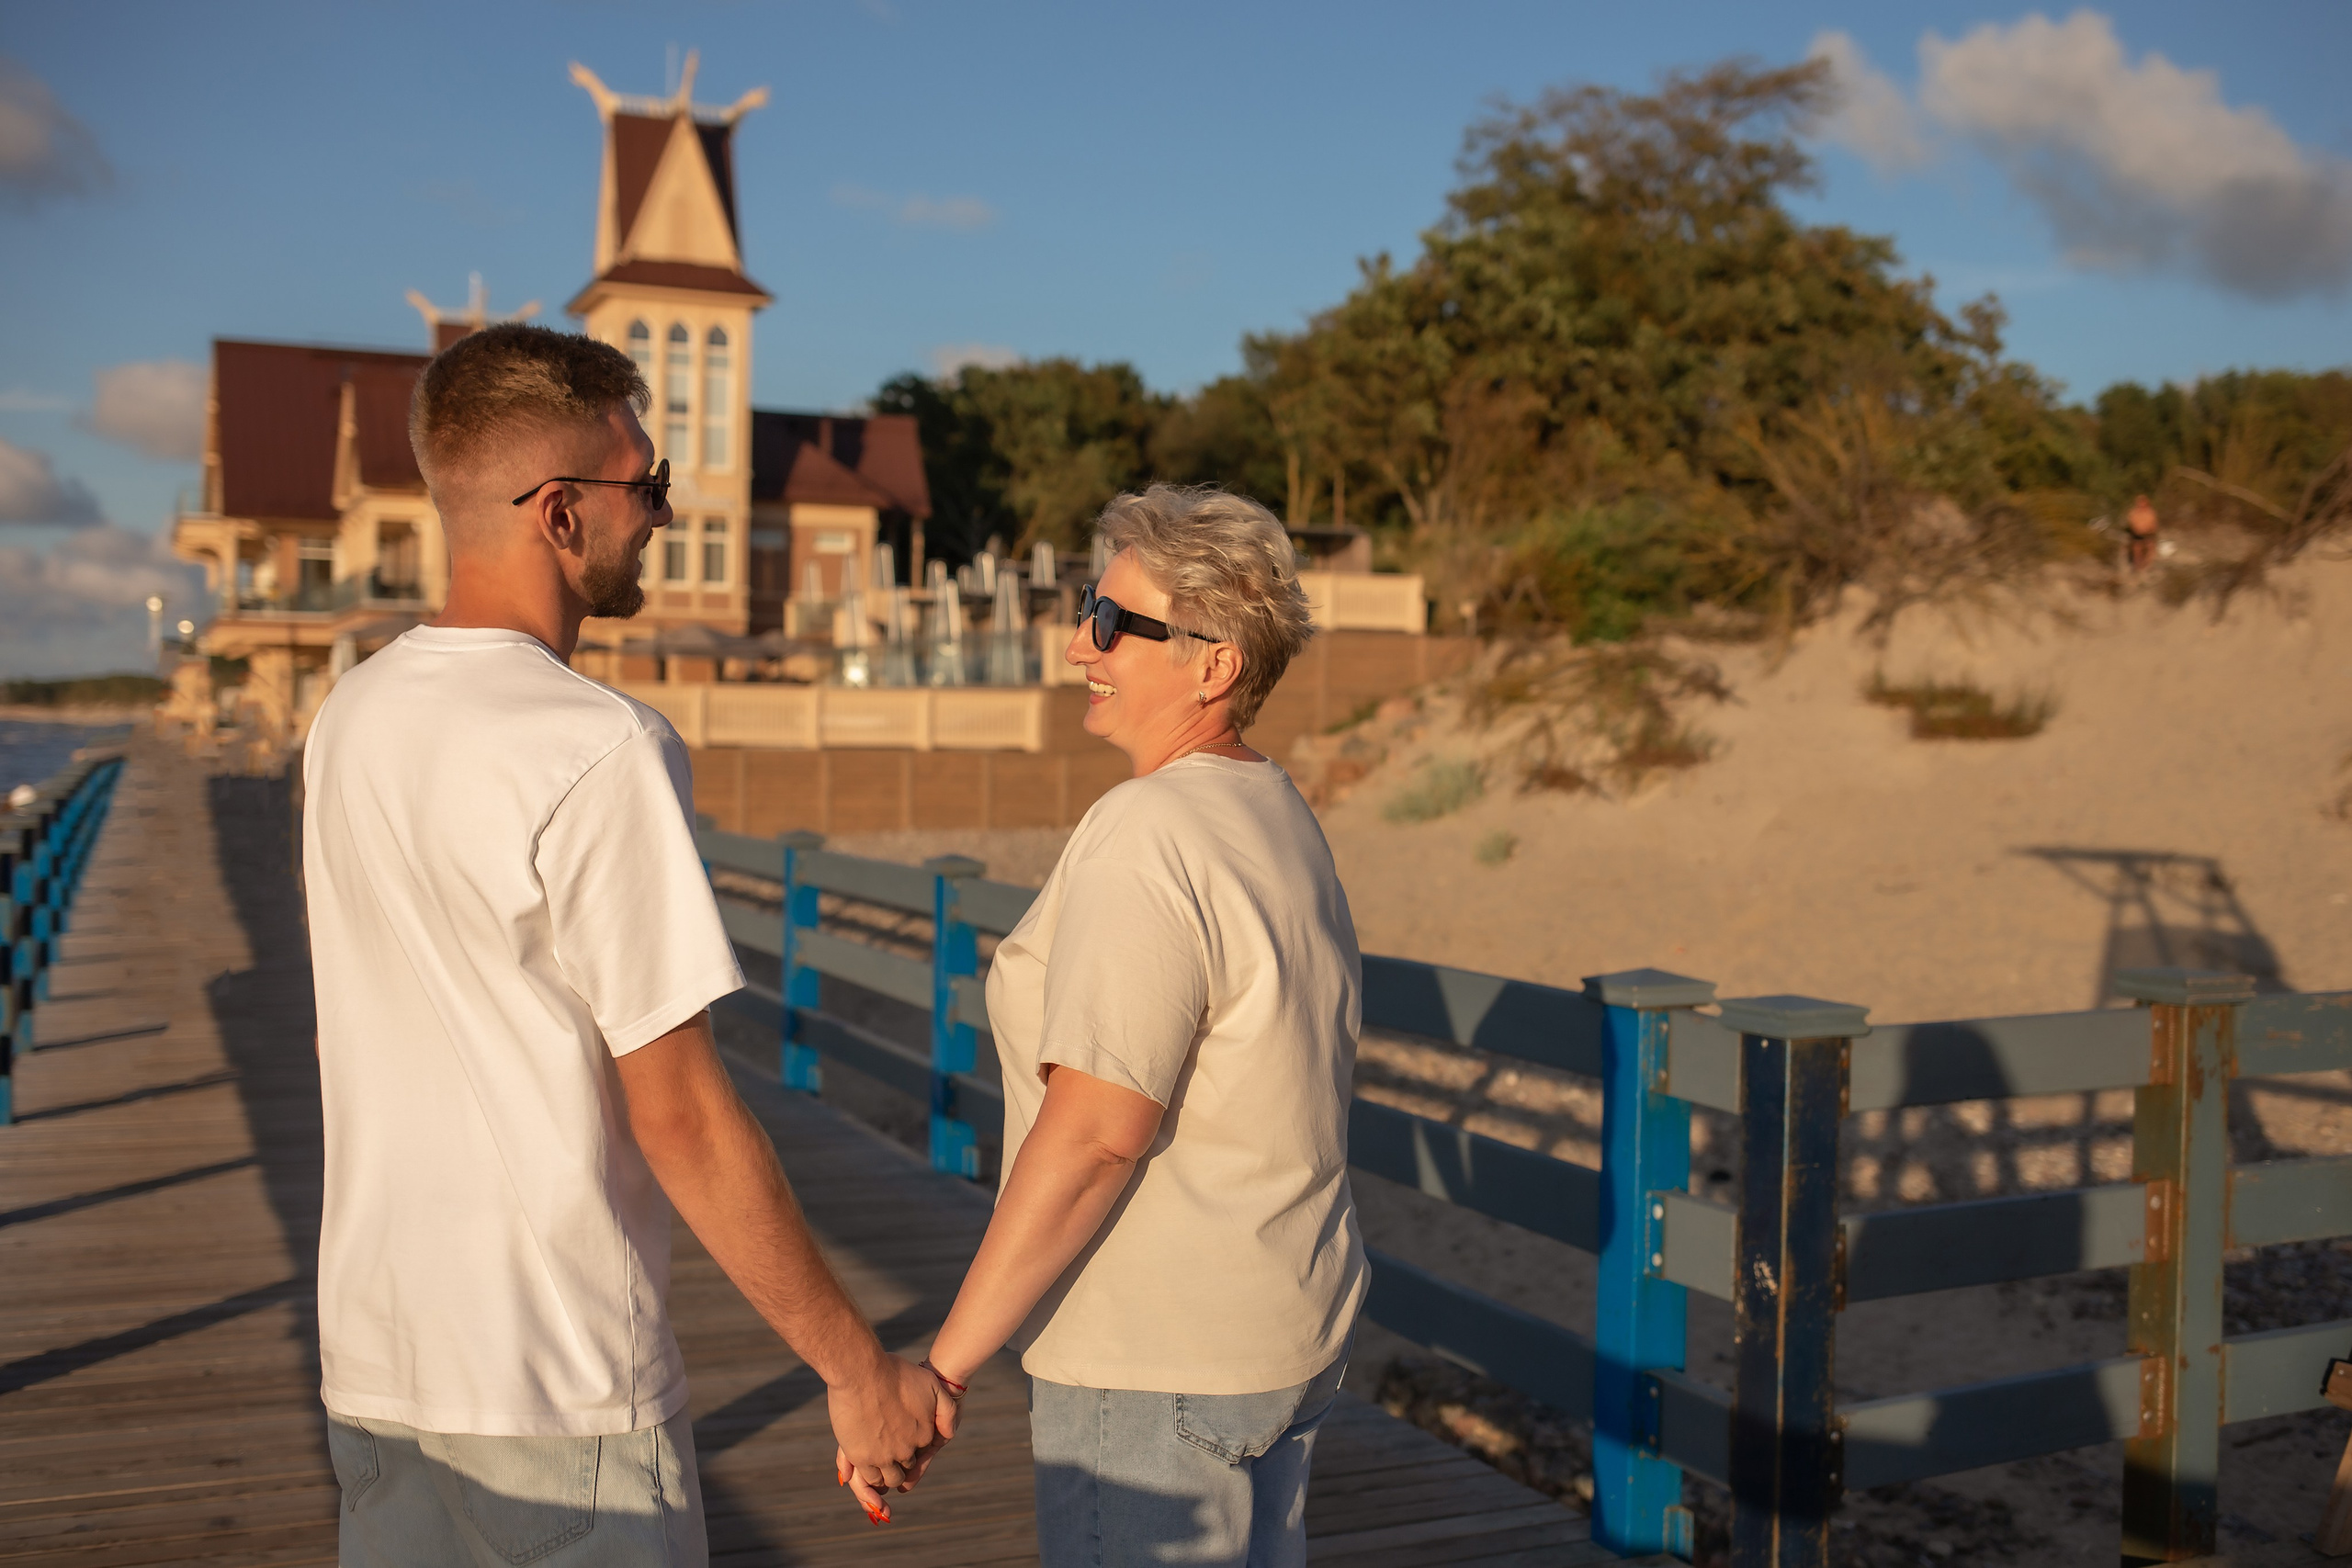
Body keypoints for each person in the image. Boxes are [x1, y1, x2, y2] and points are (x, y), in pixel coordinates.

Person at [302, 323, 951, 1565]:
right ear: (560, 512)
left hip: (378, 1365)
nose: (663, 510)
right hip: (556, 1382)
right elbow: (684, 1116)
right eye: (645, 483)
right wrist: (859, 1371)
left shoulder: (352, 717)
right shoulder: (599, 746)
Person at [859, 485, 1367, 1567]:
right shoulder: (1271, 807)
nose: (1079, 642)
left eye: (1111, 621)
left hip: (1159, 1359)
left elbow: (1095, 1133)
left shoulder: (1149, 829)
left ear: (1212, 663)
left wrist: (939, 1369)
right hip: (1285, 1330)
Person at [2127, 492, 2161, 573]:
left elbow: (2154, 524)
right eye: (2140, 502)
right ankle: (2137, 566)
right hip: (2137, 534)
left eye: (2143, 502)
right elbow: (2131, 523)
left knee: (2151, 548)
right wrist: (2137, 529)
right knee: (2137, 549)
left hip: (2148, 534)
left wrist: (2149, 530)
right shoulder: (2133, 512)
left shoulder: (2151, 512)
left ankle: (2148, 566)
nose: (2141, 504)